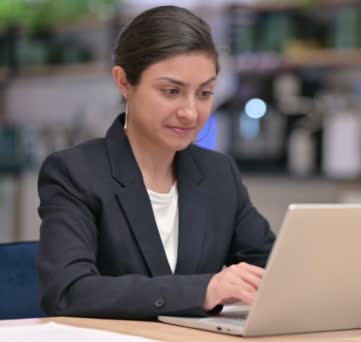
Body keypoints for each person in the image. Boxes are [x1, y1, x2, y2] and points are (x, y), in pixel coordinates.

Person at [37, 5, 275, 320]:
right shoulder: (75, 173)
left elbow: (273, 266)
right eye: (171, 91)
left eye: (204, 93)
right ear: (124, 82)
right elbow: (67, 292)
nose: (190, 112)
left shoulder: (219, 174)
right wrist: (203, 290)